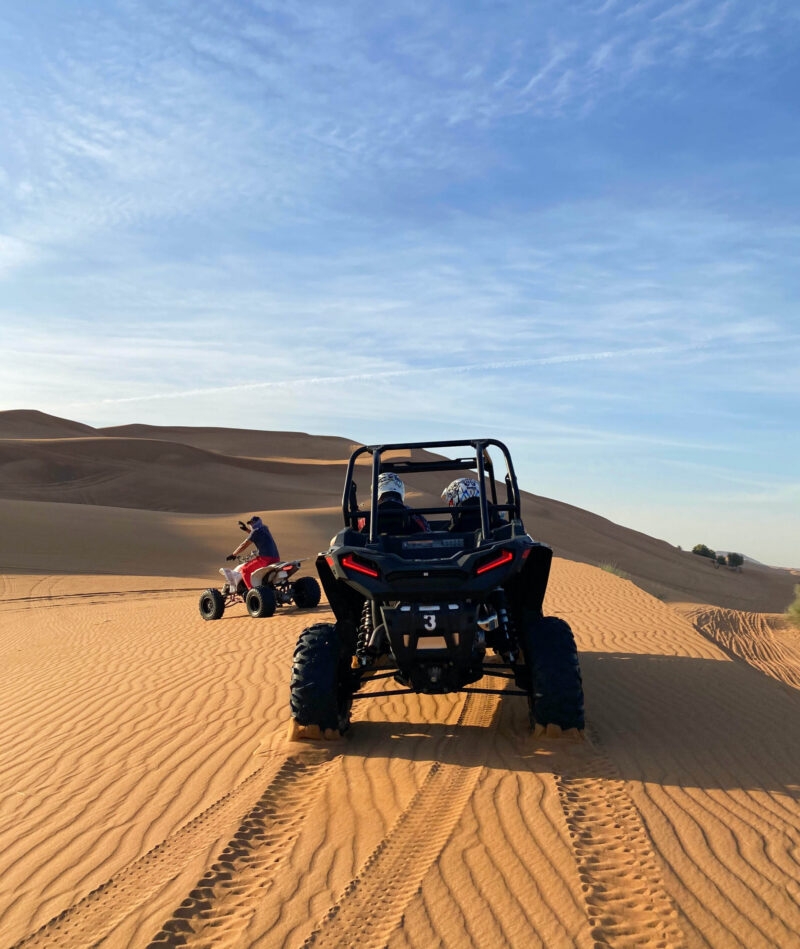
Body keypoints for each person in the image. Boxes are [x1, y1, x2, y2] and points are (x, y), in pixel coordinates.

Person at [227, 515, 281, 589]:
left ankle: (251, 591)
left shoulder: (255, 532)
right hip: (276, 558)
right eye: (250, 523)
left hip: (265, 559)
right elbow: (256, 535)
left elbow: (244, 545)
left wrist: (234, 554)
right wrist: (246, 529)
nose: (251, 524)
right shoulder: (265, 528)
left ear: (257, 522)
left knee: (244, 570)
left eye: (253, 523)